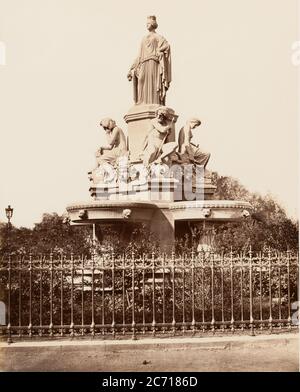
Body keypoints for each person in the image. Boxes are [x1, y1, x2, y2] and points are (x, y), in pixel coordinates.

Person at [127, 16, 171, 105]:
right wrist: (131, 68)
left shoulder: (158, 37)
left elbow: (167, 46)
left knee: (153, 83)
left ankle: (154, 102)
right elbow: (139, 55)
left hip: (153, 63)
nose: (147, 25)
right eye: (146, 24)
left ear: (153, 24)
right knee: (141, 80)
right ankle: (141, 102)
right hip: (143, 63)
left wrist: (159, 50)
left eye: (148, 23)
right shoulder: (143, 38)